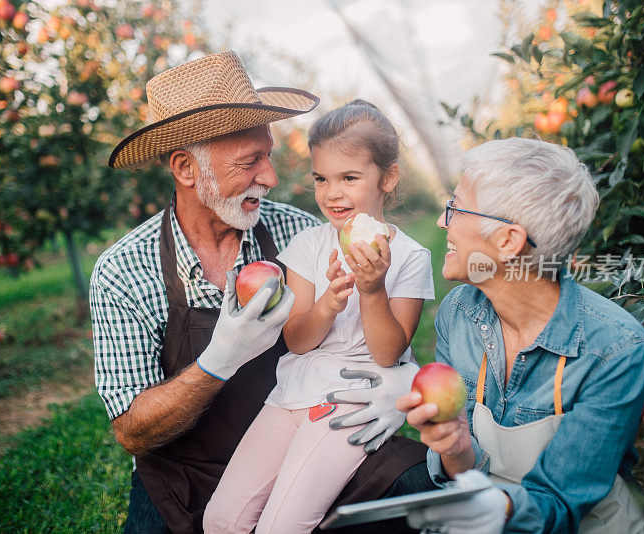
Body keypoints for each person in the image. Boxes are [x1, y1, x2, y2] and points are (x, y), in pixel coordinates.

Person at [91, 51, 431, 534]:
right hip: (188, 471)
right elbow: (132, 430)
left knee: (415, 486)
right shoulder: (125, 270)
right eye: (250, 163)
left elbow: (366, 324)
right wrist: (218, 361)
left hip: (314, 431)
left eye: (268, 156)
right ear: (187, 169)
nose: (271, 178)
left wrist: (401, 375)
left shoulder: (297, 229)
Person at [396, 137, 644, 533]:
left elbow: (560, 502)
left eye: (454, 207)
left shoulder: (614, 349)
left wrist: (496, 508)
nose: (441, 221)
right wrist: (455, 447)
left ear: (507, 241)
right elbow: (464, 469)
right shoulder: (459, 314)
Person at [203, 100, 435, 533]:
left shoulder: (409, 257)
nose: (332, 193)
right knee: (220, 519)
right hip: (288, 397)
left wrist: (371, 290)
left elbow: (389, 352)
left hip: (348, 401)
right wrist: (329, 300)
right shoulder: (309, 245)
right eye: (321, 179)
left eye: (349, 178)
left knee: (282, 526)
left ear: (388, 177)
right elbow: (297, 340)